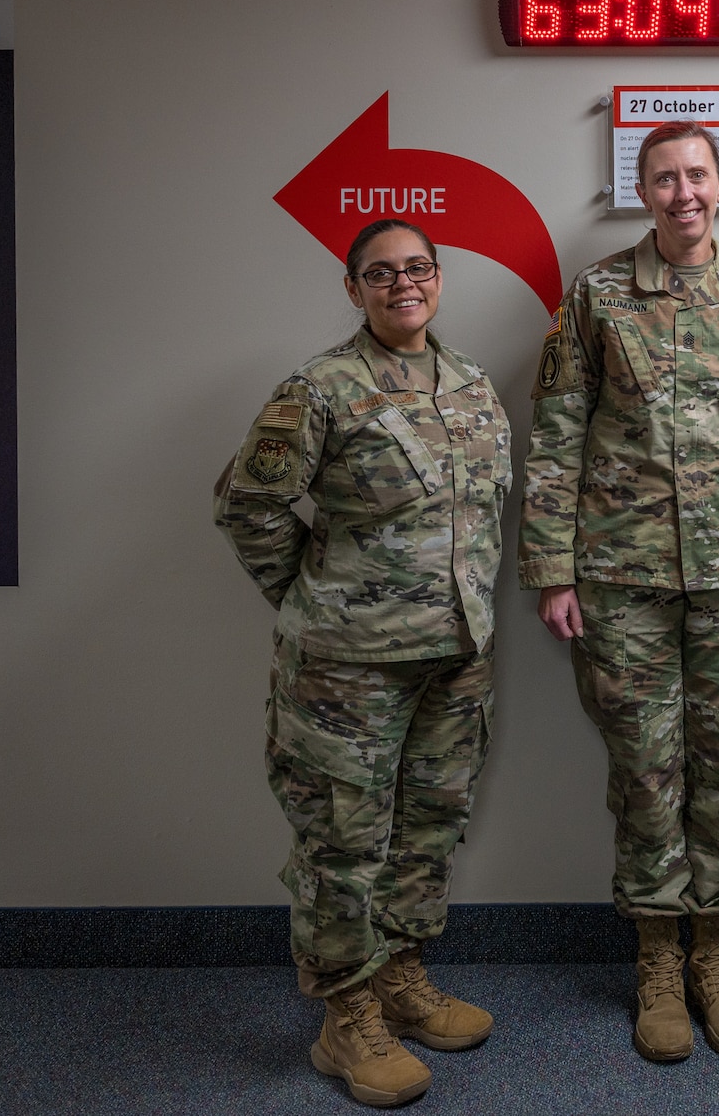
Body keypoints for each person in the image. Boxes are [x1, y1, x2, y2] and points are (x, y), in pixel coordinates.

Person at [520, 121, 719, 1063]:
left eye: (697, 175)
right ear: (641, 190)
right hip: (622, 578)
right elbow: (558, 433)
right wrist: (551, 567)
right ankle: (655, 956)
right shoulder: (598, 295)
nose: (683, 192)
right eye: (662, 177)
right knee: (645, 773)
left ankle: (714, 955)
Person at [214, 218, 509, 1108]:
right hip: (348, 671)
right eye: (381, 274)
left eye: (417, 268)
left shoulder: (470, 384)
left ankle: (402, 979)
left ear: (439, 278)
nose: (402, 285)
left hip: (454, 658)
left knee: (428, 827)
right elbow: (247, 509)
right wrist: (320, 600)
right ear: (354, 289)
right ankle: (346, 1017)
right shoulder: (321, 389)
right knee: (343, 841)